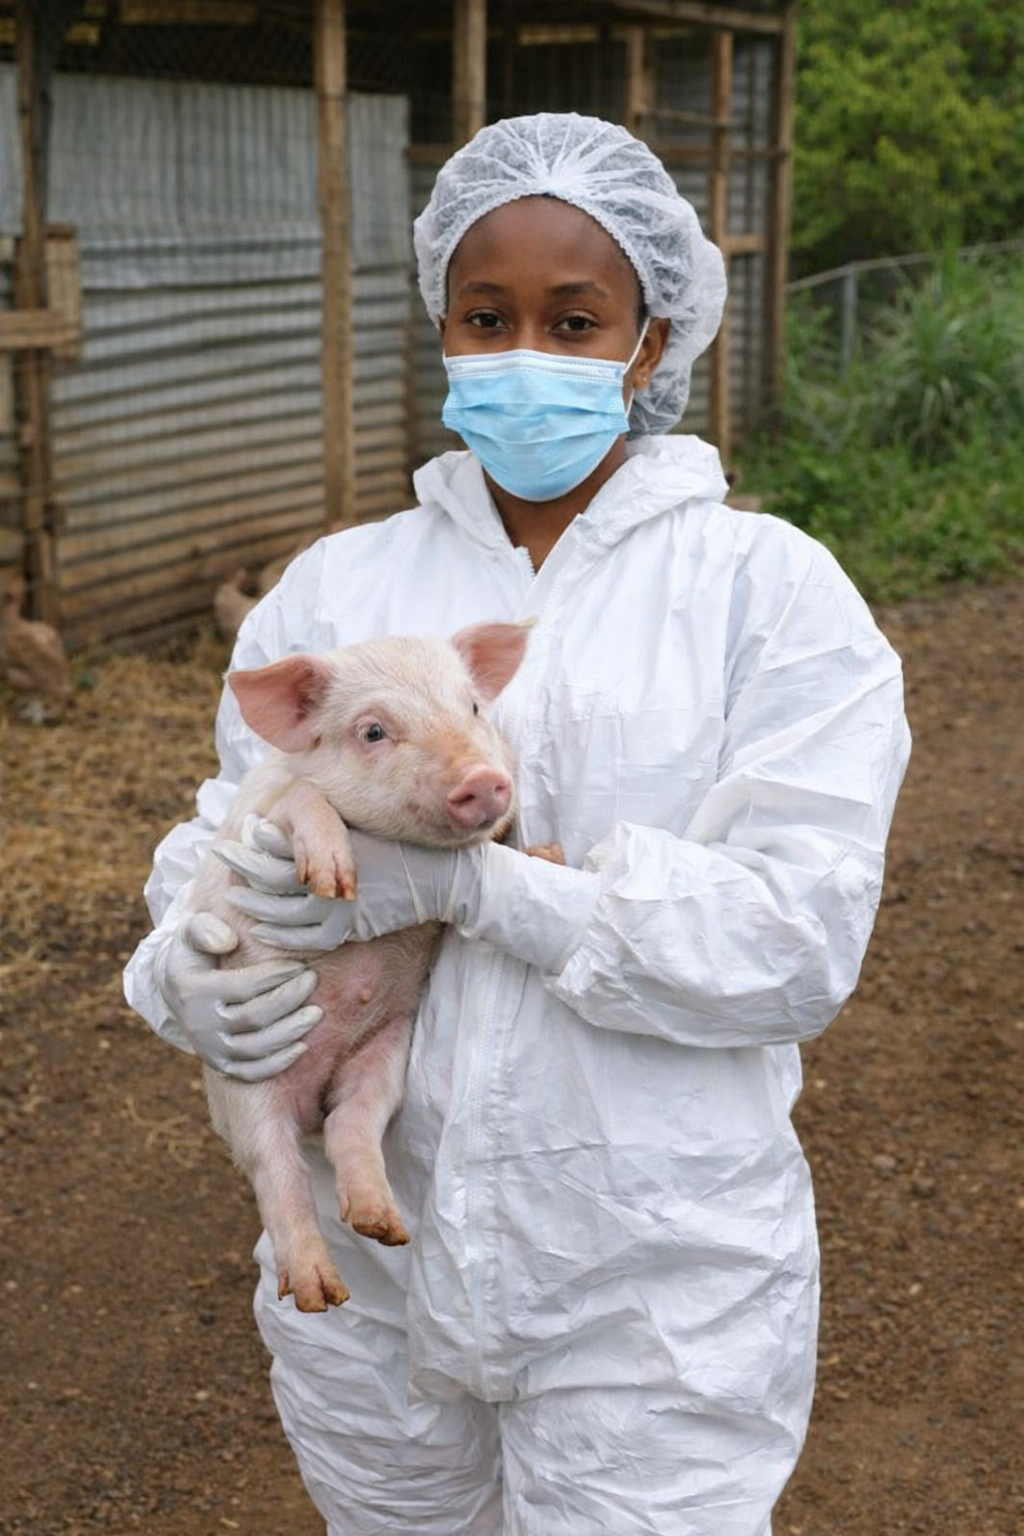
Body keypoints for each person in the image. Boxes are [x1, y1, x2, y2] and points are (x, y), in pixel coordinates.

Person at [124, 113, 910, 1536]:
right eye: (488, 316)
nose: (523, 352)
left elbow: (795, 942)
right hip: (370, 1290)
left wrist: (486, 894)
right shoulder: (342, 584)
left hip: (651, 1287)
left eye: (574, 318)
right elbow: (211, 841)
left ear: (653, 341)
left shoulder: (768, 593)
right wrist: (177, 970)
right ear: (440, 324)